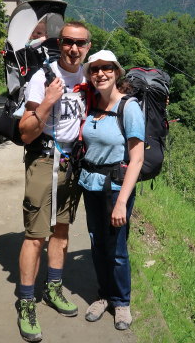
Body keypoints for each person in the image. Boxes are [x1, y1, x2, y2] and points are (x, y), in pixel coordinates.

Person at [16, 21, 92, 342]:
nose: (74, 49)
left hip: (72, 163)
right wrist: (48, 100)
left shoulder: (91, 76)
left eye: (81, 43)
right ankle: (26, 301)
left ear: (88, 46)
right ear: (59, 44)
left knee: (61, 229)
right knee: (35, 235)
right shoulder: (41, 77)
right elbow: (25, 132)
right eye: (68, 42)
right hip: (43, 158)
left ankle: (54, 288)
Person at [78, 50, 145, 331]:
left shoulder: (128, 108)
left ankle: (121, 302)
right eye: (94, 69)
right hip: (90, 185)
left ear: (116, 72)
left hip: (116, 188)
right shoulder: (92, 104)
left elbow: (137, 158)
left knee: (116, 249)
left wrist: (121, 204)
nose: (100, 74)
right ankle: (103, 295)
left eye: (106, 68)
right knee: (97, 243)